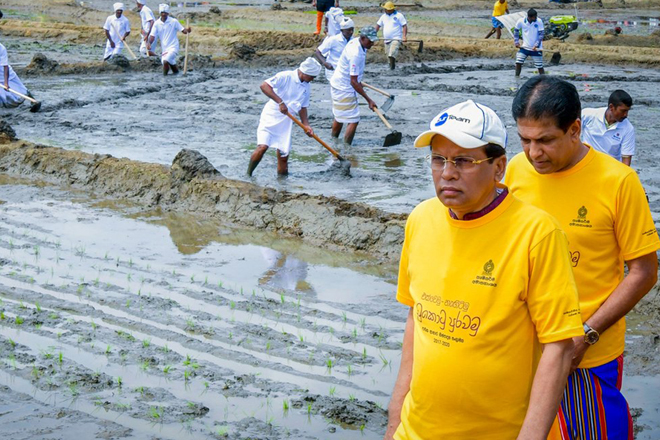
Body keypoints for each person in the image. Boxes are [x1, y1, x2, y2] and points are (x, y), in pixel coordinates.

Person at [385, 99, 583, 439]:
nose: (447, 172)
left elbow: (560, 347)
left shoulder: (536, 234)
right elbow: (415, 318)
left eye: (463, 160)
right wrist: (394, 419)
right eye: (438, 160)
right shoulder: (421, 219)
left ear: (499, 167)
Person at [505, 76, 660, 440]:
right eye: (525, 140)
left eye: (545, 141)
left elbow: (643, 271)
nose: (534, 153)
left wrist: (587, 335)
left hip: (586, 354)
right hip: (523, 347)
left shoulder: (618, 182)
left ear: (575, 129)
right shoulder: (514, 171)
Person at [247, 57, 321, 176]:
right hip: (272, 115)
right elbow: (264, 86)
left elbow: (303, 107)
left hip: (287, 120)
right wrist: (280, 102)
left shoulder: (306, 86)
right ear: (304, 72)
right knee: (262, 147)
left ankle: (282, 186)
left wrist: (306, 125)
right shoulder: (286, 76)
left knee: (283, 155)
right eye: (312, 77)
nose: (313, 79)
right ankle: (248, 175)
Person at [329, 26, 378, 147]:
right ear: (362, 38)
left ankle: (333, 142)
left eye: (373, 40)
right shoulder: (355, 54)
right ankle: (346, 148)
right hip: (344, 87)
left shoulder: (357, 42)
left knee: (339, 116)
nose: (372, 43)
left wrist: (358, 81)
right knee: (353, 119)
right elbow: (353, 82)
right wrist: (369, 100)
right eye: (370, 41)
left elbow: (354, 79)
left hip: (338, 82)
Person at [581, 90, 635, 166]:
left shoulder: (628, 129)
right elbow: (569, 132)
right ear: (611, 107)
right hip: (586, 164)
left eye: (627, 111)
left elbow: (626, 160)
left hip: (609, 169)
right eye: (623, 111)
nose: (626, 115)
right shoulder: (587, 115)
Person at [148, 4, 192, 75]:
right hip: (164, 49)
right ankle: (177, 74)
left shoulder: (173, 21)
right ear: (160, 13)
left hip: (173, 47)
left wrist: (188, 30)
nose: (163, 14)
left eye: (165, 13)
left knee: (166, 61)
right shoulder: (157, 23)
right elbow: (152, 36)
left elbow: (183, 31)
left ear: (168, 13)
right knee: (171, 63)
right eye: (162, 12)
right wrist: (149, 43)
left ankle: (164, 79)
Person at [0, 42, 40, 112]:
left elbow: (5, 66)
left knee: (20, 88)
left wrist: (6, 83)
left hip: (4, 72)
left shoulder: (1, 48)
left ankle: (32, 100)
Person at [376, 2, 407, 70]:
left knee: (391, 54)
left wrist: (404, 36)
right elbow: (378, 25)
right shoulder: (383, 16)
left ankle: (392, 67)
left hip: (396, 38)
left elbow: (404, 26)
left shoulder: (399, 16)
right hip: (386, 40)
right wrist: (374, 34)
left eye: (386, 9)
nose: (385, 10)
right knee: (388, 57)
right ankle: (392, 68)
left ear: (391, 9)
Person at [513, 8, 544, 76]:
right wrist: (516, 42)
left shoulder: (539, 21)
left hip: (536, 48)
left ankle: (543, 79)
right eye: (534, 17)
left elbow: (541, 34)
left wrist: (536, 45)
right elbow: (516, 31)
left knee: (539, 66)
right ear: (529, 17)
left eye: (536, 16)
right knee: (518, 62)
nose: (536, 18)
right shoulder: (521, 21)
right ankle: (517, 77)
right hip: (525, 47)